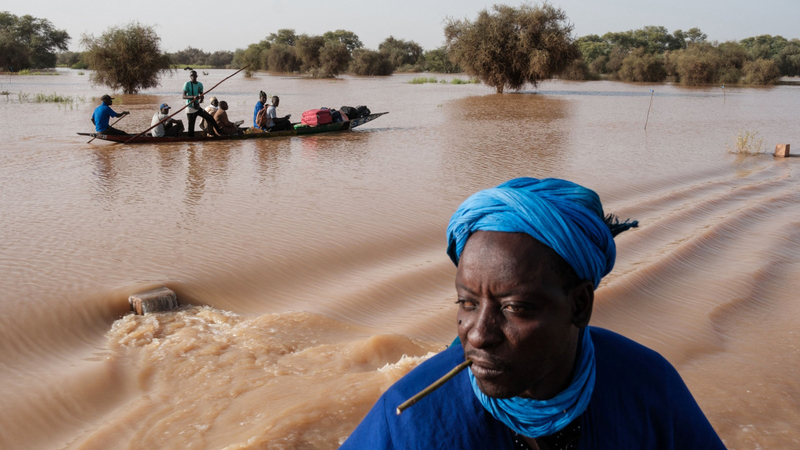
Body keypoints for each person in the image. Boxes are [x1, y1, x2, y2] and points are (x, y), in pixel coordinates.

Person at [340, 178, 727, 450]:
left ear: (580, 306)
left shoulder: (648, 387)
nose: (478, 335)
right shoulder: (412, 420)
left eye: (514, 308)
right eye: (467, 303)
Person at [182, 70, 221, 137]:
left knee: (210, 118)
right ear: (190, 77)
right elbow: (183, 96)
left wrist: (201, 98)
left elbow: (201, 94)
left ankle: (219, 132)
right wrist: (193, 97)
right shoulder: (187, 84)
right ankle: (190, 141)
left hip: (197, 107)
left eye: (194, 76)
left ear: (197, 76)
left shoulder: (200, 84)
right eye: (192, 76)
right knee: (191, 125)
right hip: (190, 108)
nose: (193, 77)